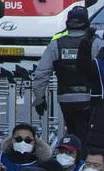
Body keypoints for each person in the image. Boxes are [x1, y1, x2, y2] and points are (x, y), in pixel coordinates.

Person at [34, 7, 94, 137]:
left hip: (65, 98)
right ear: (87, 23)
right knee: (88, 135)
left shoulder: (56, 43)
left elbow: (42, 73)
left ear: (68, 23)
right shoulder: (95, 42)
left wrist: (39, 98)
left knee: (72, 132)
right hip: (91, 98)